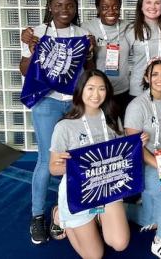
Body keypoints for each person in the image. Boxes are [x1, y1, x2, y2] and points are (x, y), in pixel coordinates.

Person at [19, 0, 93, 244]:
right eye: (59, 5)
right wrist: (31, 48)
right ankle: (37, 216)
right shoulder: (37, 33)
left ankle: (67, 210)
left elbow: (88, 72)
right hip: (47, 103)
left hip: (74, 103)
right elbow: (24, 69)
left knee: (75, 159)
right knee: (45, 160)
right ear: (50, 7)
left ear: (75, 8)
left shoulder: (82, 34)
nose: (64, 10)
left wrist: (91, 50)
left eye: (70, 5)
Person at [49, 70, 130, 258]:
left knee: (120, 243)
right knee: (94, 256)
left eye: (101, 89)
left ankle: (98, 217)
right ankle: (60, 215)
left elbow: (122, 156)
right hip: (79, 192)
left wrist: (135, 145)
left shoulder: (112, 119)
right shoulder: (64, 126)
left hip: (107, 188)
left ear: (107, 91)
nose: (96, 94)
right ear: (80, 90)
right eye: (90, 88)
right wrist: (73, 165)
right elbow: (53, 168)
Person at [125, 58, 161, 259]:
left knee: (149, 218)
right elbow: (133, 146)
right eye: (155, 74)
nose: (160, 79)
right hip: (144, 163)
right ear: (146, 77)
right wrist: (160, 166)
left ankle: (118, 210)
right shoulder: (136, 106)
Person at [82, 0, 131, 118]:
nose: (111, 11)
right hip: (97, 93)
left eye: (115, 7)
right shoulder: (86, 28)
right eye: (105, 7)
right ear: (98, 9)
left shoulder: (128, 27)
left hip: (123, 90)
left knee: (122, 131)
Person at [125, 0, 161, 98]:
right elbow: (120, 59)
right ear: (141, 6)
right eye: (148, 2)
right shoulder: (130, 30)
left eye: (157, 3)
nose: (153, 7)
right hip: (139, 90)